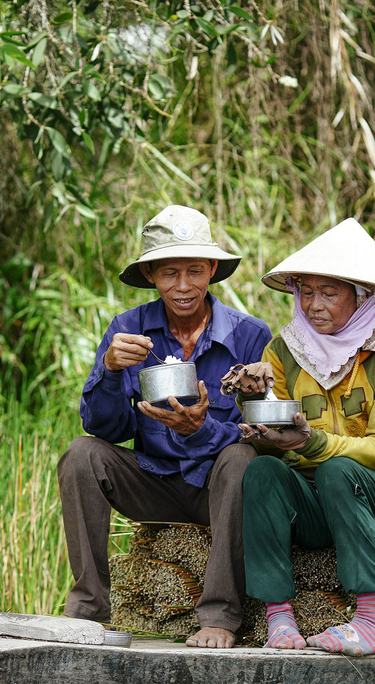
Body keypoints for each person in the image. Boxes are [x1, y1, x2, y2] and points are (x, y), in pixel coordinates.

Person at [59, 205, 272, 648]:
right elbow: (105, 427)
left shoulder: (251, 335)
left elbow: (260, 433)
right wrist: (111, 368)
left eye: (195, 271)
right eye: (170, 273)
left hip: (219, 489)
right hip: (152, 482)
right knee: (81, 454)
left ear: (212, 270)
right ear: (152, 274)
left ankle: (219, 616)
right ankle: (88, 612)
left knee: (242, 458)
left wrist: (200, 431)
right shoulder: (127, 329)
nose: (183, 286)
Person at [222, 218, 375, 657]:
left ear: (362, 298)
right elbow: (273, 441)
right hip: (320, 502)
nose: (314, 305)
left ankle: (373, 621)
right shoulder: (282, 351)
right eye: (306, 292)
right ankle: (279, 617)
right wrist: (256, 405)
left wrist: (308, 443)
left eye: (330, 293)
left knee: (340, 467)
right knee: (260, 470)